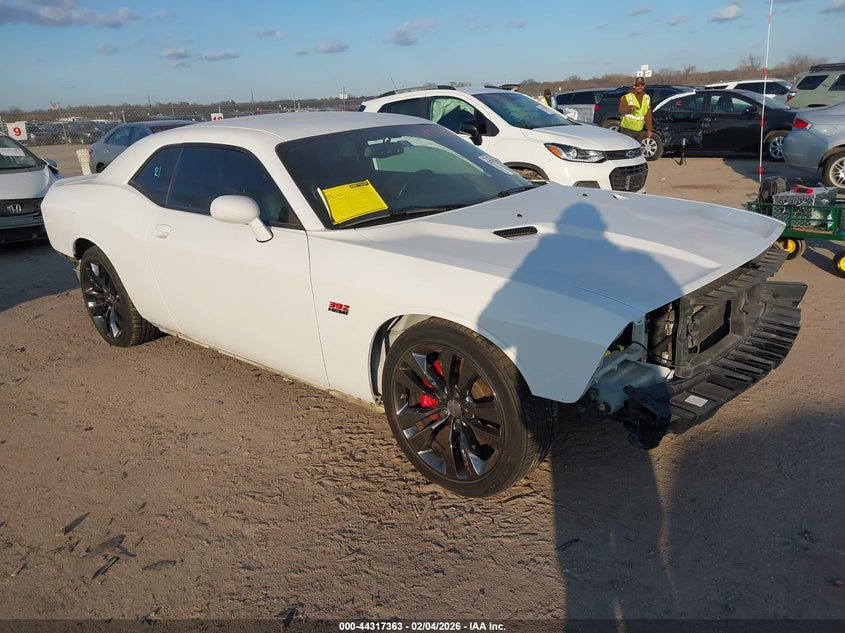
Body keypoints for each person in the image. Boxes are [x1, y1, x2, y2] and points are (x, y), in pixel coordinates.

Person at [618, 77, 652, 142]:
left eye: (642, 85)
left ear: (644, 85)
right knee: (627, 148)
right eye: (637, 85)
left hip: (639, 129)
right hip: (627, 128)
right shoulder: (627, 97)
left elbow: (648, 115)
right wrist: (630, 108)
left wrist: (649, 129)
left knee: (636, 150)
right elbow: (621, 110)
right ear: (634, 86)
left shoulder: (647, 98)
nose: (640, 87)